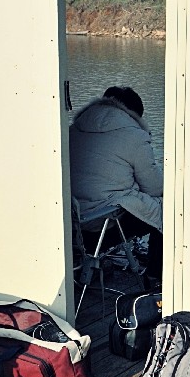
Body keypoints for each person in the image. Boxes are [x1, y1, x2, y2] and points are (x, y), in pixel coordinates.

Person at [69, 86, 164, 288]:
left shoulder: (73, 130)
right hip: (100, 229)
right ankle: (154, 278)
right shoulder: (135, 136)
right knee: (168, 213)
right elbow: (155, 189)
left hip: (69, 227)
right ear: (135, 115)